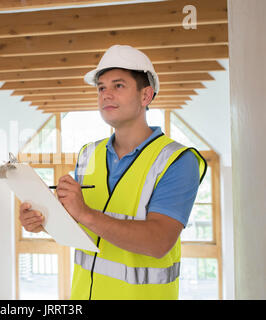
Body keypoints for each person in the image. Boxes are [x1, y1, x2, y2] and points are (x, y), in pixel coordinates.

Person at [19, 44, 207, 300]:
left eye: (118, 86)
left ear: (146, 96)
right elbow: (80, 224)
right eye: (101, 88)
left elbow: (158, 241)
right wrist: (44, 221)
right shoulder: (89, 154)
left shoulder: (176, 160)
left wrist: (84, 212)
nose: (106, 94)